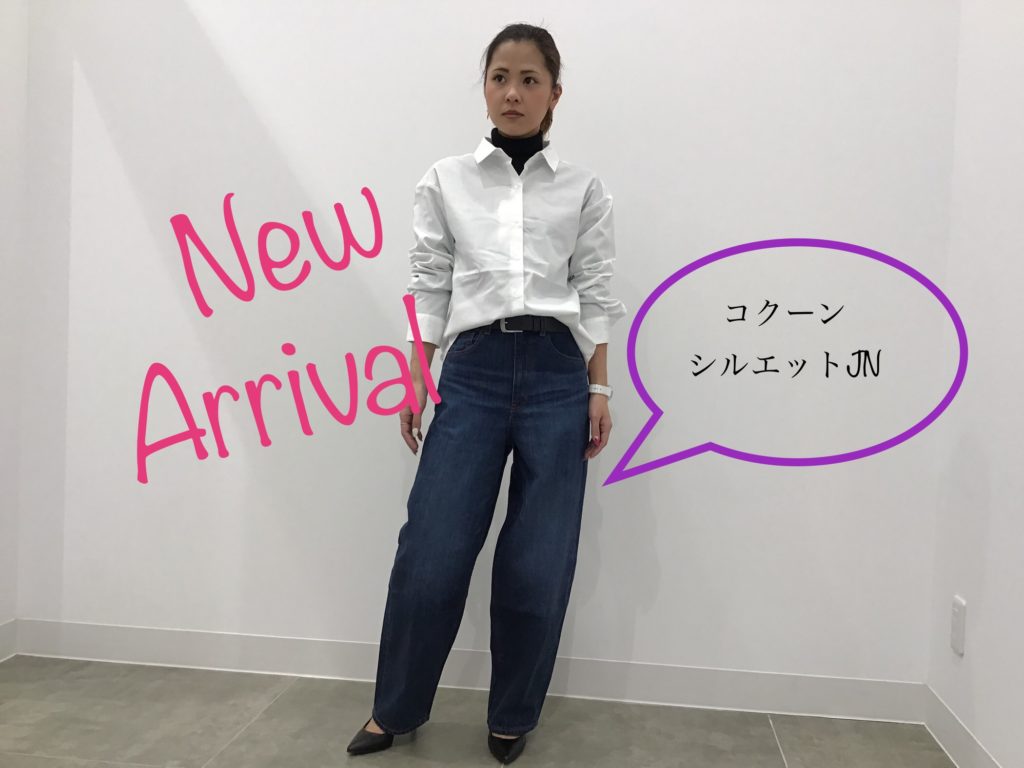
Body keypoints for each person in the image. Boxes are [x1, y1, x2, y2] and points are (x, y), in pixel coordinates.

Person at [347, 22, 627, 764]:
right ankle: (395, 707)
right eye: (500, 76)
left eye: (530, 79)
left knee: (539, 559)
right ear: (485, 87)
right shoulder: (446, 180)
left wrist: (600, 387)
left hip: (558, 375)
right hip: (470, 371)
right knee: (432, 550)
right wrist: (417, 373)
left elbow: (596, 292)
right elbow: (429, 281)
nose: (513, 92)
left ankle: (512, 715)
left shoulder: (583, 189)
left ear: (555, 93)